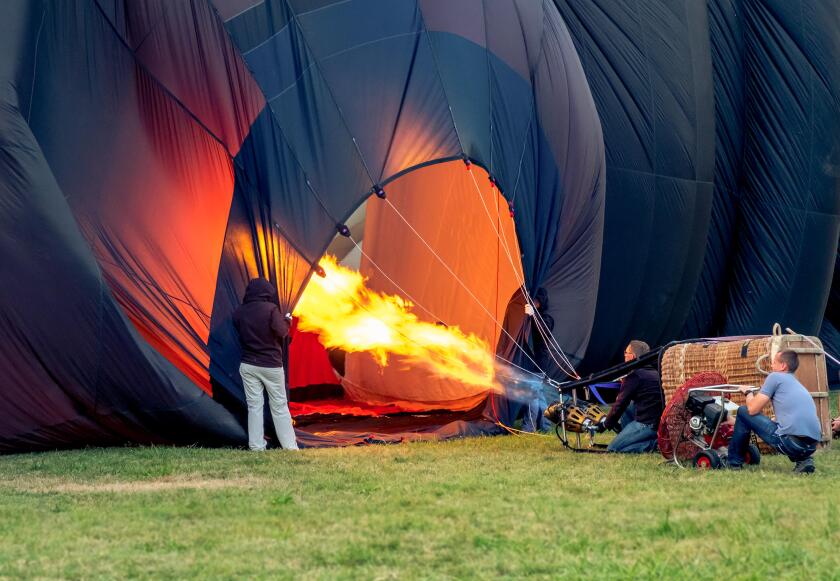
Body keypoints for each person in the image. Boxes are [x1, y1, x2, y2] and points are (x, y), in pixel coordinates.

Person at [233, 278, 299, 451]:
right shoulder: (271, 309)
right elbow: (282, 331)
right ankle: (290, 447)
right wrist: (288, 320)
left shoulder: (240, 311)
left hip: (248, 365)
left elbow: (238, 329)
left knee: (254, 407)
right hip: (271, 365)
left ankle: (256, 446)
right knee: (279, 406)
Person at [728, 350, 821, 473]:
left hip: (790, 443)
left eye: (774, 363)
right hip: (811, 446)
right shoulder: (796, 382)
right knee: (780, 426)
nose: (771, 366)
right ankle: (804, 461)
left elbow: (752, 410)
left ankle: (734, 463)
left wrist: (748, 393)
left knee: (743, 411)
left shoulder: (775, 377)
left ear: (783, 366)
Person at [601, 340, 663, 453]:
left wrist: (605, 424)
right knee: (629, 405)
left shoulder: (635, 376)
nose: (624, 355)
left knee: (613, 449)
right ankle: (633, 437)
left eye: (626, 353)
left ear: (632, 356)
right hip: (657, 424)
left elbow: (619, 404)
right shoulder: (654, 373)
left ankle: (653, 445)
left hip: (646, 425)